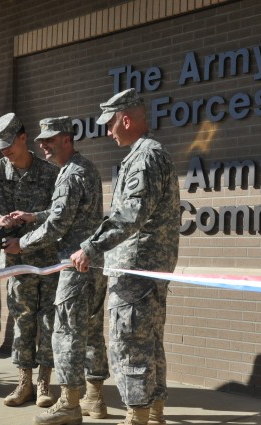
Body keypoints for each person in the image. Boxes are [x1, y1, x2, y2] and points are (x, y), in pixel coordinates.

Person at [70, 88, 180, 425]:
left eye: (111, 123)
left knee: (128, 342)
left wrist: (90, 246)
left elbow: (130, 214)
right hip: (147, 267)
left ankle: (137, 416)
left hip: (136, 267)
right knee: (148, 342)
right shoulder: (147, 155)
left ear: (126, 119)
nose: (107, 131)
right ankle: (154, 413)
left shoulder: (145, 158)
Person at [3, 117, 110, 425]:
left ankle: (68, 404)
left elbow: (59, 224)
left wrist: (21, 244)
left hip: (74, 266)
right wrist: (33, 214)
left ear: (67, 139)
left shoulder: (70, 173)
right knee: (90, 332)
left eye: (50, 139)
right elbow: (63, 211)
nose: (43, 145)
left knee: (67, 334)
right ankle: (95, 398)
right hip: (92, 263)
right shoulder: (84, 168)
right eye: (41, 140)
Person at [0, 112, 60, 408]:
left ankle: (44, 382)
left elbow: (61, 212)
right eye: (1, 146)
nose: (5, 151)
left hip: (47, 260)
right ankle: (24, 382)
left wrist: (35, 224)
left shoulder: (51, 172)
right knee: (21, 319)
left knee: (47, 320)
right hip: (15, 261)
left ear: (23, 137)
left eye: (9, 143)